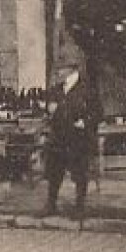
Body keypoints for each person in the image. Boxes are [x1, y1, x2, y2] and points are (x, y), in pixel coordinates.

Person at [43, 59, 101, 219]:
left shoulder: (87, 90)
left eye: (60, 69)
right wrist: (50, 111)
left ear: (71, 70)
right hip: (58, 138)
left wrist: (85, 122)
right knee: (54, 173)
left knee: (79, 174)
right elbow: (49, 112)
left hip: (78, 139)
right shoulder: (56, 90)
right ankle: (51, 205)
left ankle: (79, 207)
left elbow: (98, 113)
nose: (58, 73)